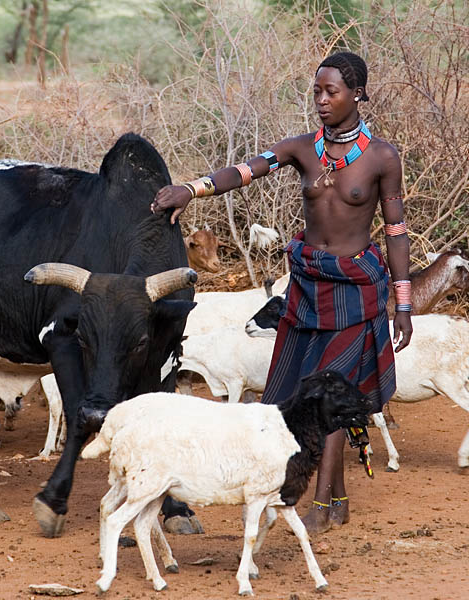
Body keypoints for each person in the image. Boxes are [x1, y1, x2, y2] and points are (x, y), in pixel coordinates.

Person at [151, 51, 413, 535]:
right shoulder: (301, 149)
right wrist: (191, 189)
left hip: (355, 290)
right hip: (308, 288)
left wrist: (403, 303)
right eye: (316, 91)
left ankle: (320, 506)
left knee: (327, 391)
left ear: (357, 94)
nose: (321, 100)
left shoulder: (382, 157)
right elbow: (245, 171)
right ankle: (337, 503)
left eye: (331, 91)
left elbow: (396, 231)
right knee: (304, 391)